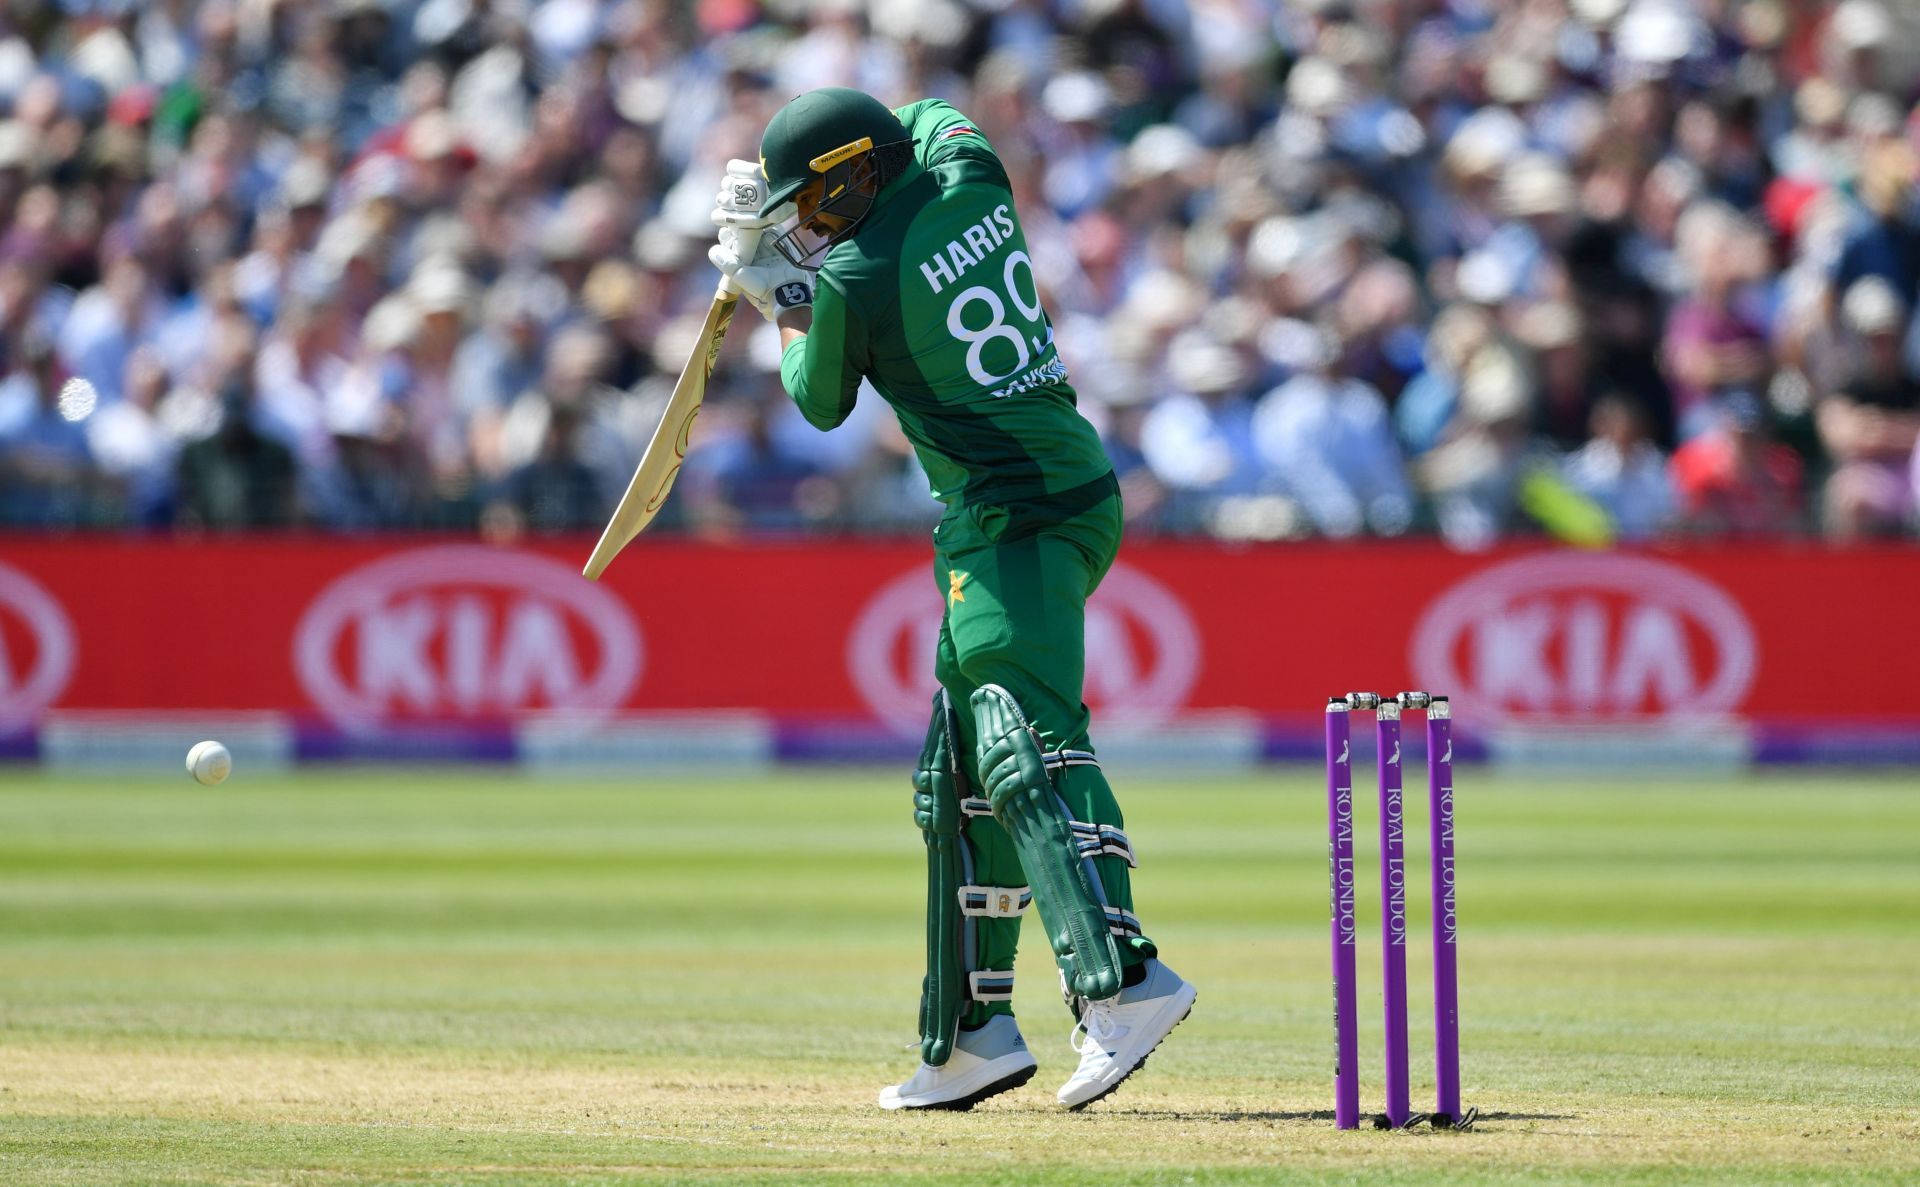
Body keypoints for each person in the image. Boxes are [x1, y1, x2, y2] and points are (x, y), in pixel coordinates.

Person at [707, 88, 1194, 1111]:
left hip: (1018, 514)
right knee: (962, 773)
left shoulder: (853, 276)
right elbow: (932, 110)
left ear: (851, 174)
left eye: (812, 198)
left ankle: (1123, 977)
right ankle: (972, 1029)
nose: (805, 220)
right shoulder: (972, 177)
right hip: (1047, 496)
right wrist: (799, 244)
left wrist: (772, 290)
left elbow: (819, 398)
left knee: (1030, 745)